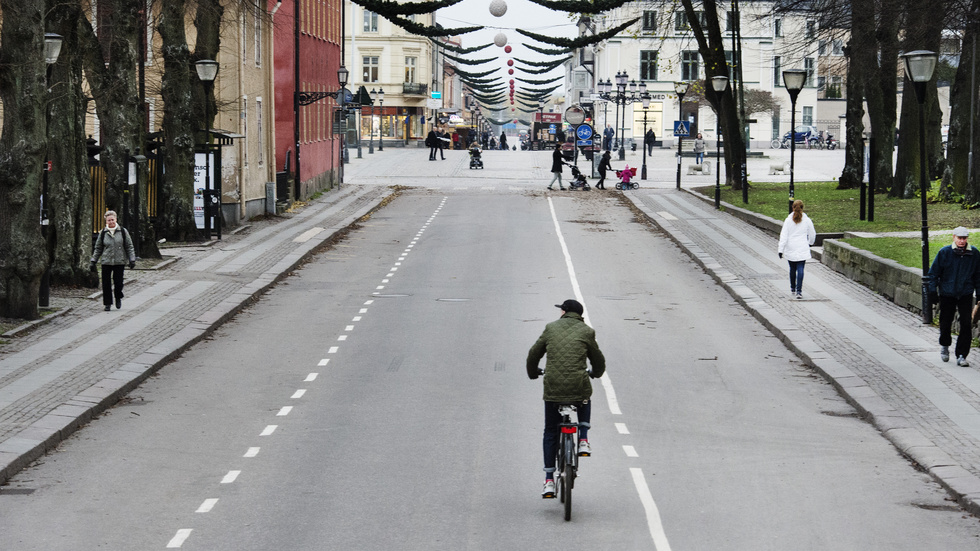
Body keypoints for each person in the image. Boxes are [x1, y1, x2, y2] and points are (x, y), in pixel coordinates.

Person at [527, 299, 605, 498]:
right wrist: (595, 372)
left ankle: (549, 481)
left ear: (564, 312)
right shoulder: (587, 331)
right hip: (578, 386)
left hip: (553, 387)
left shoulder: (551, 328)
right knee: (585, 397)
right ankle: (584, 440)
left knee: (550, 431)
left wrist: (533, 372)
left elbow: (534, 354)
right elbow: (598, 360)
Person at [928, 227, 980, 366]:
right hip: (947, 292)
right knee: (945, 322)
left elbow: (978, 275)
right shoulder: (945, 252)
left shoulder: (974, 253)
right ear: (954, 237)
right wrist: (933, 291)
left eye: (964, 238)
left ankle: (962, 354)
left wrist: (979, 292)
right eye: (959, 238)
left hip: (965, 293)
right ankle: (945, 345)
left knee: (965, 324)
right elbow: (933, 274)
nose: (962, 241)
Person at [90, 210, 136, 312]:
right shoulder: (103, 233)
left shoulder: (123, 232)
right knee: (106, 284)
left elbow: (129, 246)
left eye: (112, 220)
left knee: (118, 283)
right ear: (106, 221)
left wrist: (132, 260)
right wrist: (93, 260)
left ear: (116, 219)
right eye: (108, 220)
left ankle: (118, 297)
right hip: (106, 261)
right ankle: (107, 303)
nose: (111, 222)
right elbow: (98, 248)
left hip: (119, 261)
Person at [777, 200, 817, 300]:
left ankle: (793, 288)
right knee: (801, 268)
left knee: (792, 268)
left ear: (792, 208)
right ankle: (799, 291)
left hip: (791, 247)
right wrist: (810, 243)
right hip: (802, 246)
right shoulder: (807, 220)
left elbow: (784, 236)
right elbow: (812, 234)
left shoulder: (788, 220)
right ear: (802, 208)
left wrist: (780, 249)